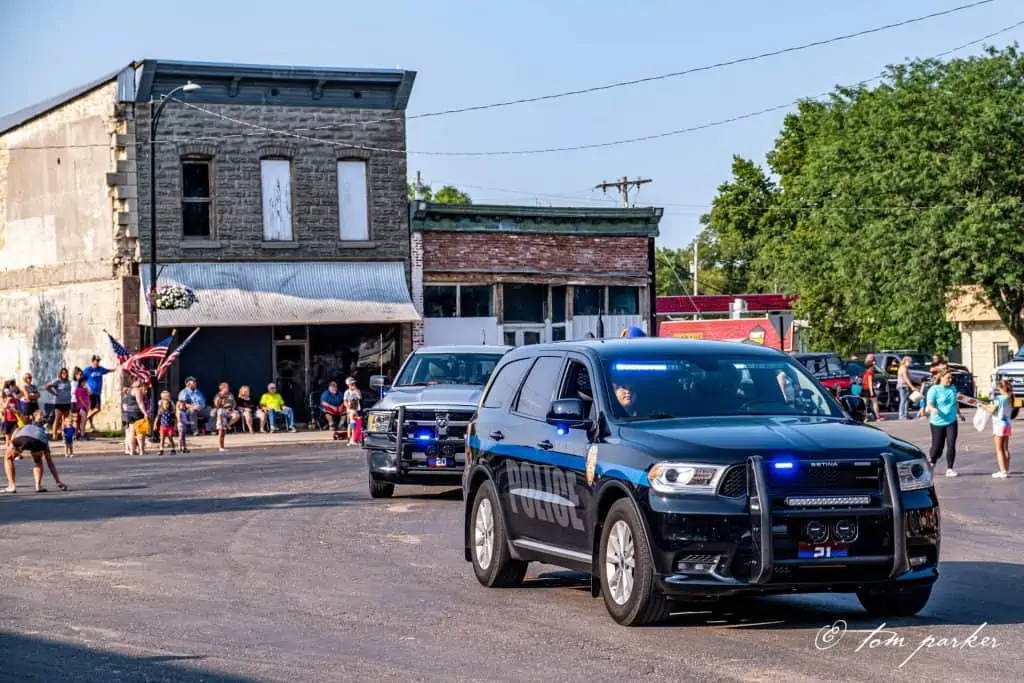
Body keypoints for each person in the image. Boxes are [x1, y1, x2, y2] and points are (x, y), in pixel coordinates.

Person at [4, 421, 68, 493]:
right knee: (38, 461)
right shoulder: (43, 434)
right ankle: (38, 486)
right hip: (39, 441)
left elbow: (16, 430)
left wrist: (13, 445)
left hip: (22, 438)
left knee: (8, 458)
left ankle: (12, 486)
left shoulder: (26, 426)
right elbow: (50, 463)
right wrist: (58, 481)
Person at [925, 370, 964, 477]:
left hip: (951, 421)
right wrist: (932, 409)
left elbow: (955, 402)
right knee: (937, 447)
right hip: (937, 422)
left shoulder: (953, 388)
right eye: (948, 378)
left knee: (951, 444)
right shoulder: (934, 389)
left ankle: (950, 468)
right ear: (941, 378)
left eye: (951, 378)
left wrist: (959, 414)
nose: (950, 380)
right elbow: (929, 404)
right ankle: (932, 461)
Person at [983, 379, 1014, 479]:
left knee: (999, 449)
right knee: (1005, 448)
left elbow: (991, 410)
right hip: (1008, 425)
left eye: (999, 388)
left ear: (1002, 388)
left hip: (999, 425)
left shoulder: (999, 398)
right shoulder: (1011, 398)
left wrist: (982, 406)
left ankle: (1002, 471)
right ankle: (1006, 468)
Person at [81, 355, 111, 433]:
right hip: (90, 393)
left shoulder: (100, 369)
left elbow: (107, 370)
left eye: (98, 361)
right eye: (96, 361)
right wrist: (85, 387)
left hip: (97, 392)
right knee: (94, 409)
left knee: (96, 409)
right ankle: (87, 421)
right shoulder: (87, 370)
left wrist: (115, 369)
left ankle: (88, 422)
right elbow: (81, 379)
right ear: (92, 361)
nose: (98, 362)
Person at [122, 380, 149, 456]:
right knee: (140, 432)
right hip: (137, 412)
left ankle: (132, 451)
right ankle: (141, 451)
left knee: (131, 432)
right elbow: (140, 402)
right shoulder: (137, 391)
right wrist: (145, 413)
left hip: (129, 413)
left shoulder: (129, 391)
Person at [45, 368, 73, 440]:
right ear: (60, 374)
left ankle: (64, 435)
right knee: (57, 419)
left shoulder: (68, 381)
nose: (64, 374)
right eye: (63, 373)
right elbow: (47, 386)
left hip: (67, 402)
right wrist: (54, 393)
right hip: (59, 403)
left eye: (66, 373)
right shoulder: (57, 381)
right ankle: (54, 435)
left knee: (65, 420)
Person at [213, 382, 238, 451]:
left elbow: (234, 403)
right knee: (221, 431)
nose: (228, 388)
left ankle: (228, 424)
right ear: (222, 388)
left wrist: (232, 409)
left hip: (230, 411)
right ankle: (220, 447)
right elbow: (217, 406)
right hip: (221, 413)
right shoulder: (218, 395)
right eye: (227, 387)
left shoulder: (230, 394)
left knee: (236, 415)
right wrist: (220, 399)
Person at [861, 354, 883, 421]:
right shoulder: (870, 372)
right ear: (871, 366)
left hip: (864, 389)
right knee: (875, 403)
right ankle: (878, 417)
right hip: (869, 389)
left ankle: (865, 418)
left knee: (864, 405)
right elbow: (870, 382)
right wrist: (871, 391)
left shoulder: (865, 372)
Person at [896, 356, 918, 421]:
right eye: (909, 362)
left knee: (906, 401)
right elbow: (906, 378)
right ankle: (902, 415)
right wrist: (912, 387)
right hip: (903, 386)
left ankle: (905, 415)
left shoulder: (904, 368)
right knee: (903, 401)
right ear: (905, 361)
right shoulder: (903, 368)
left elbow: (909, 378)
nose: (910, 363)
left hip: (904, 386)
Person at [343, 377, 362, 446]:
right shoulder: (347, 392)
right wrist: (348, 407)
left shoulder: (357, 391)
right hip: (350, 409)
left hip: (356, 408)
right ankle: (350, 438)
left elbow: (360, 397)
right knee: (351, 423)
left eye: (354, 384)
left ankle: (354, 438)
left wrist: (356, 392)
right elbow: (345, 401)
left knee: (354, 423)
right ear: (348, 385)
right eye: (351, 384)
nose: (353, 385)